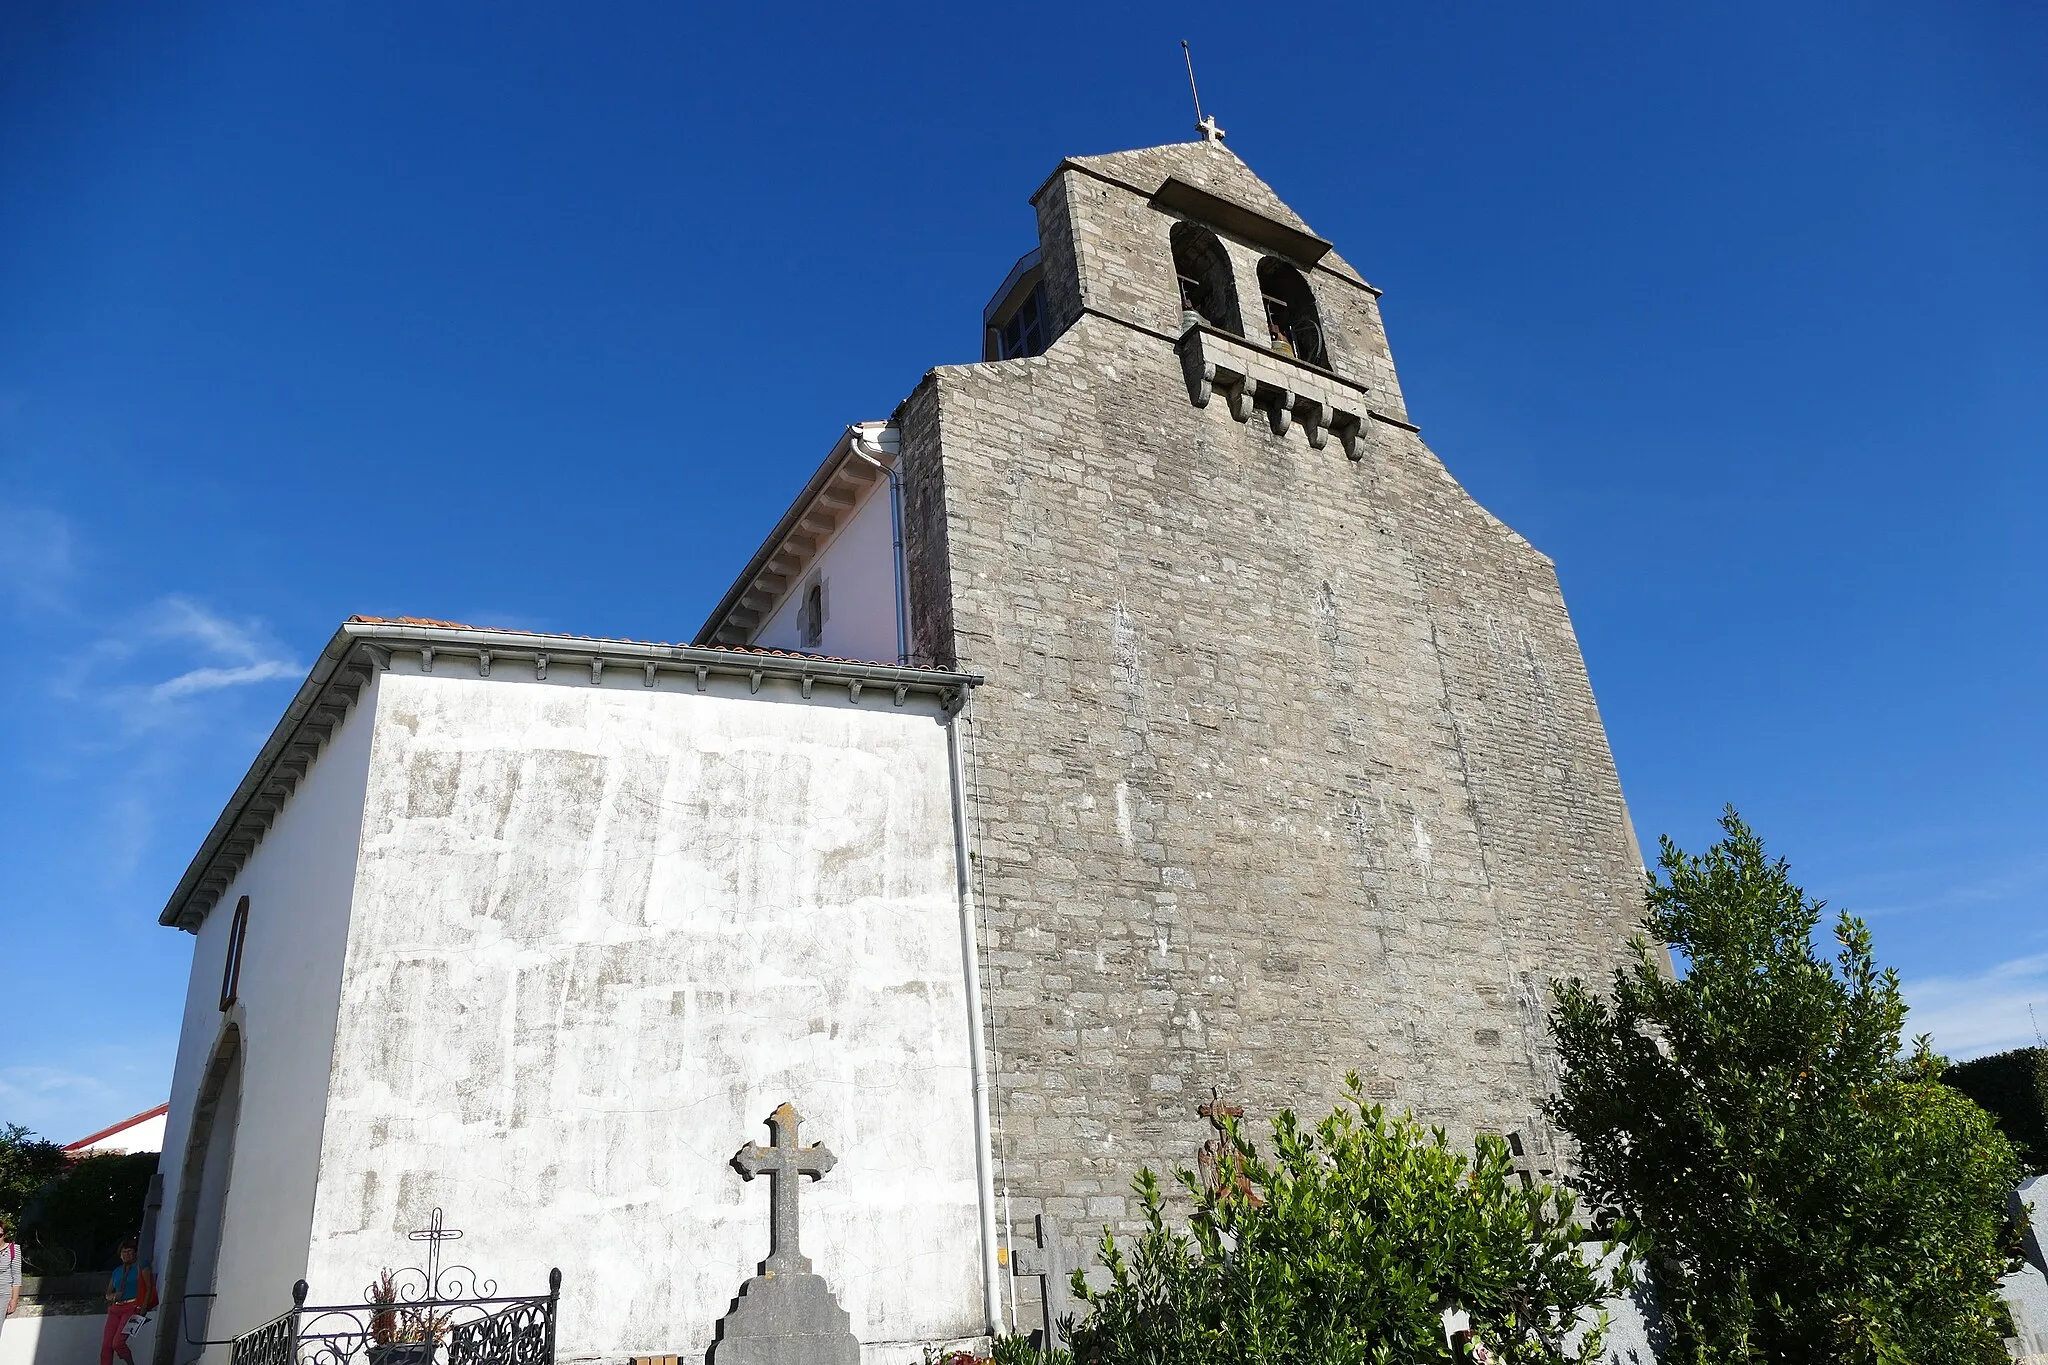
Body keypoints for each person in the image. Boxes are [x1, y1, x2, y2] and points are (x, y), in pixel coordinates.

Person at [101, 1237, 154, 1365]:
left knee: (118, 1343)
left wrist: (144, 1308)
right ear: (120, 1255)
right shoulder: (117, 1272)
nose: (127, 1255)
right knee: (106, 1345)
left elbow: (149, 1287)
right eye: (124, 1252)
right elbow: (107, 1294)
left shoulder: (142, 1266)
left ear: (135, 1253)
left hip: (132, 1306)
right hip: (115, 1309)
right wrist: (113, 1296)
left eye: (130, 1251)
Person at [0, 1216, 21, 1345]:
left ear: (4, 1234)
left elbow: (17, 1276)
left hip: (3, 1294)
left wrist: (14, 1300)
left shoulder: (13, 1249)